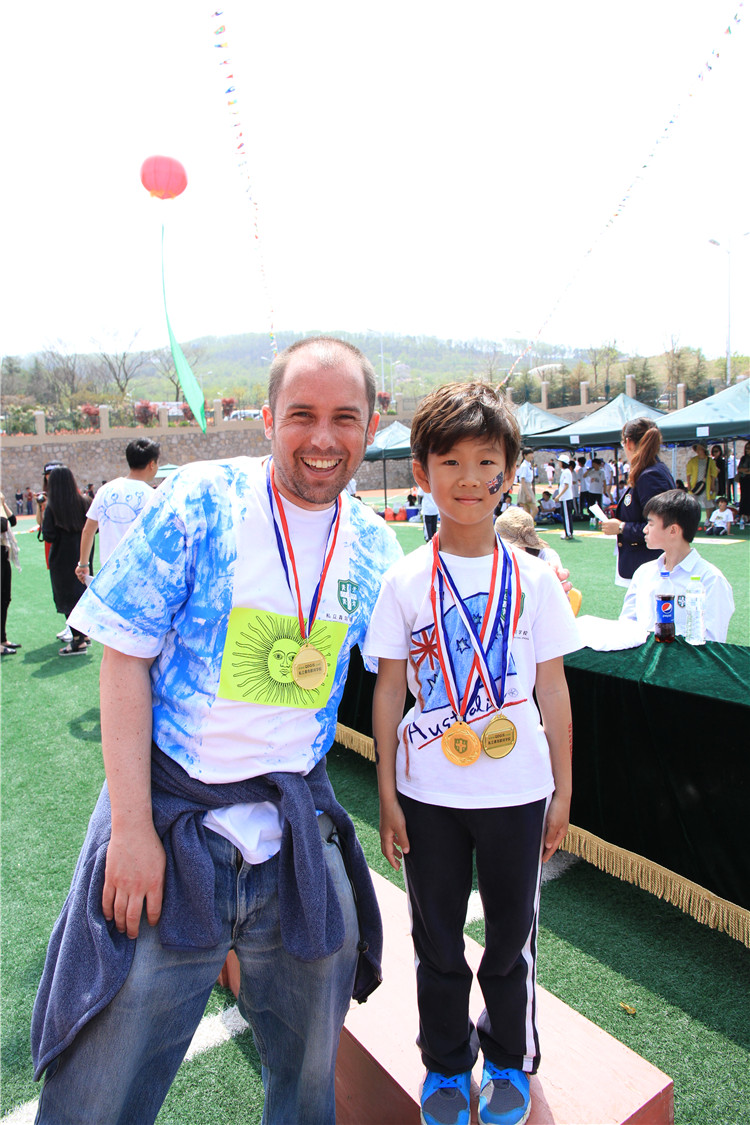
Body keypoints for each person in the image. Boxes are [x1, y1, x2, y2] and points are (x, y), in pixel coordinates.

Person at [31, 337, 403, 1125]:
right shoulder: (201, 500)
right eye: (301, 414)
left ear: (371, 427)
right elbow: (123, 656)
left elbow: (410, 668)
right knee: (98, 1091)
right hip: (172, 825)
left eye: (345, 417)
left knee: (309, 1080)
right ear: (267, 418)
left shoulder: (374, 542)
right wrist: (131, 829)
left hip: (293, 834)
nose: (323, 437)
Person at [364, 381, 580, 1125]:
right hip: (428, 794)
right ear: (421, 471)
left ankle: (509, 1057)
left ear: (508, 473)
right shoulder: (404, 579)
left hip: (518, 792)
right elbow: (389, 690)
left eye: (485, 461)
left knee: (510, 941)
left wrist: (564, 788)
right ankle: (447, 1064)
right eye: (449, 461)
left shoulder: (533, 579)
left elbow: (553, 688)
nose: (467, 478)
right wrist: (388, 793)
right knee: (436, 940)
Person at [620, 490, 734, 642]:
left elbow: (713, 641)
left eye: (651, 524)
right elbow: (626, 624)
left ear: (673, 530)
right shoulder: (644, 572)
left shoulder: (711, 580)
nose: (644, 529)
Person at [75, 438, 160, 584]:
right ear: (152, 464)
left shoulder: (104, 490)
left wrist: (83, 564)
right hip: (142, 575)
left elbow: (88, 530)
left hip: (110, 574)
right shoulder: (153, 496)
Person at [600, 418, 675, 584]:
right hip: (644, 564)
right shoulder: (649, 471)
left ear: (628, 443)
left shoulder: (650, 475)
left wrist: (621, 527)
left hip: (650, 565)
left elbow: (662, 526)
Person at [41, 467, 92, 656]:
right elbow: (93, 529)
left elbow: (48, 535)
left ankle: (78, 640)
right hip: (82, 557)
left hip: (61, 561)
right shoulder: (84, 502)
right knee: (81, 596)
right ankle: (84, 635)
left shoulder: (52, 508)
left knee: (67, 600)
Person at [1, 491, 21, 655]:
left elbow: (12, 521)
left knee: (5, 598)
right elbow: (2, 525)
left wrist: (3, 503)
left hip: (4, 555)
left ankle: (2, 639)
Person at [686, 443, 718, 518]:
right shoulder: (692, 461)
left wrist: (712, 485)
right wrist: (689, 484)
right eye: (697, 449)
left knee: (708, 502)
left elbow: (713, 473)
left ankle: (708, 519)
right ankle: (693, 518)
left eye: (699, 449)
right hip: (695, 485)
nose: (698, 450)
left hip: (706, 485)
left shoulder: (710, 461)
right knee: (693, 502)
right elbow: (688, 473)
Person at [553, 453, 575, 539]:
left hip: (566, 498)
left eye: (560, 462)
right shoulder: (566, 472)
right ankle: (568, 532)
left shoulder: (566, 472)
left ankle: (568, 533)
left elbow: (566, 486)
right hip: (565, 498)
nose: (559, 463)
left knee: (566, 516)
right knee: (565, 515)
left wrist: (558, 496)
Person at [515, 448, 537, 519]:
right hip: (526, 486)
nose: (532, 455)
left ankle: (527, 524)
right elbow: (522, 480)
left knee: (527, 510)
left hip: (528, 486)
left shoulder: (528, 464)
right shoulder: (524, 466)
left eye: (532, 453)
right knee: (535, 509)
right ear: (525, 455)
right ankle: (529, 523)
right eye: (530, 454)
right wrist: (527, 494)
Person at [737, 441, 750, 519]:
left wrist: (745, 470)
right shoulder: (743, 458)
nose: (747, 449)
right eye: (747, 448)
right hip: (744, 480)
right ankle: (743, 515)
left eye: (749, 448)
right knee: (744, 497)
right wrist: (746, 470)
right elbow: (739, 468)